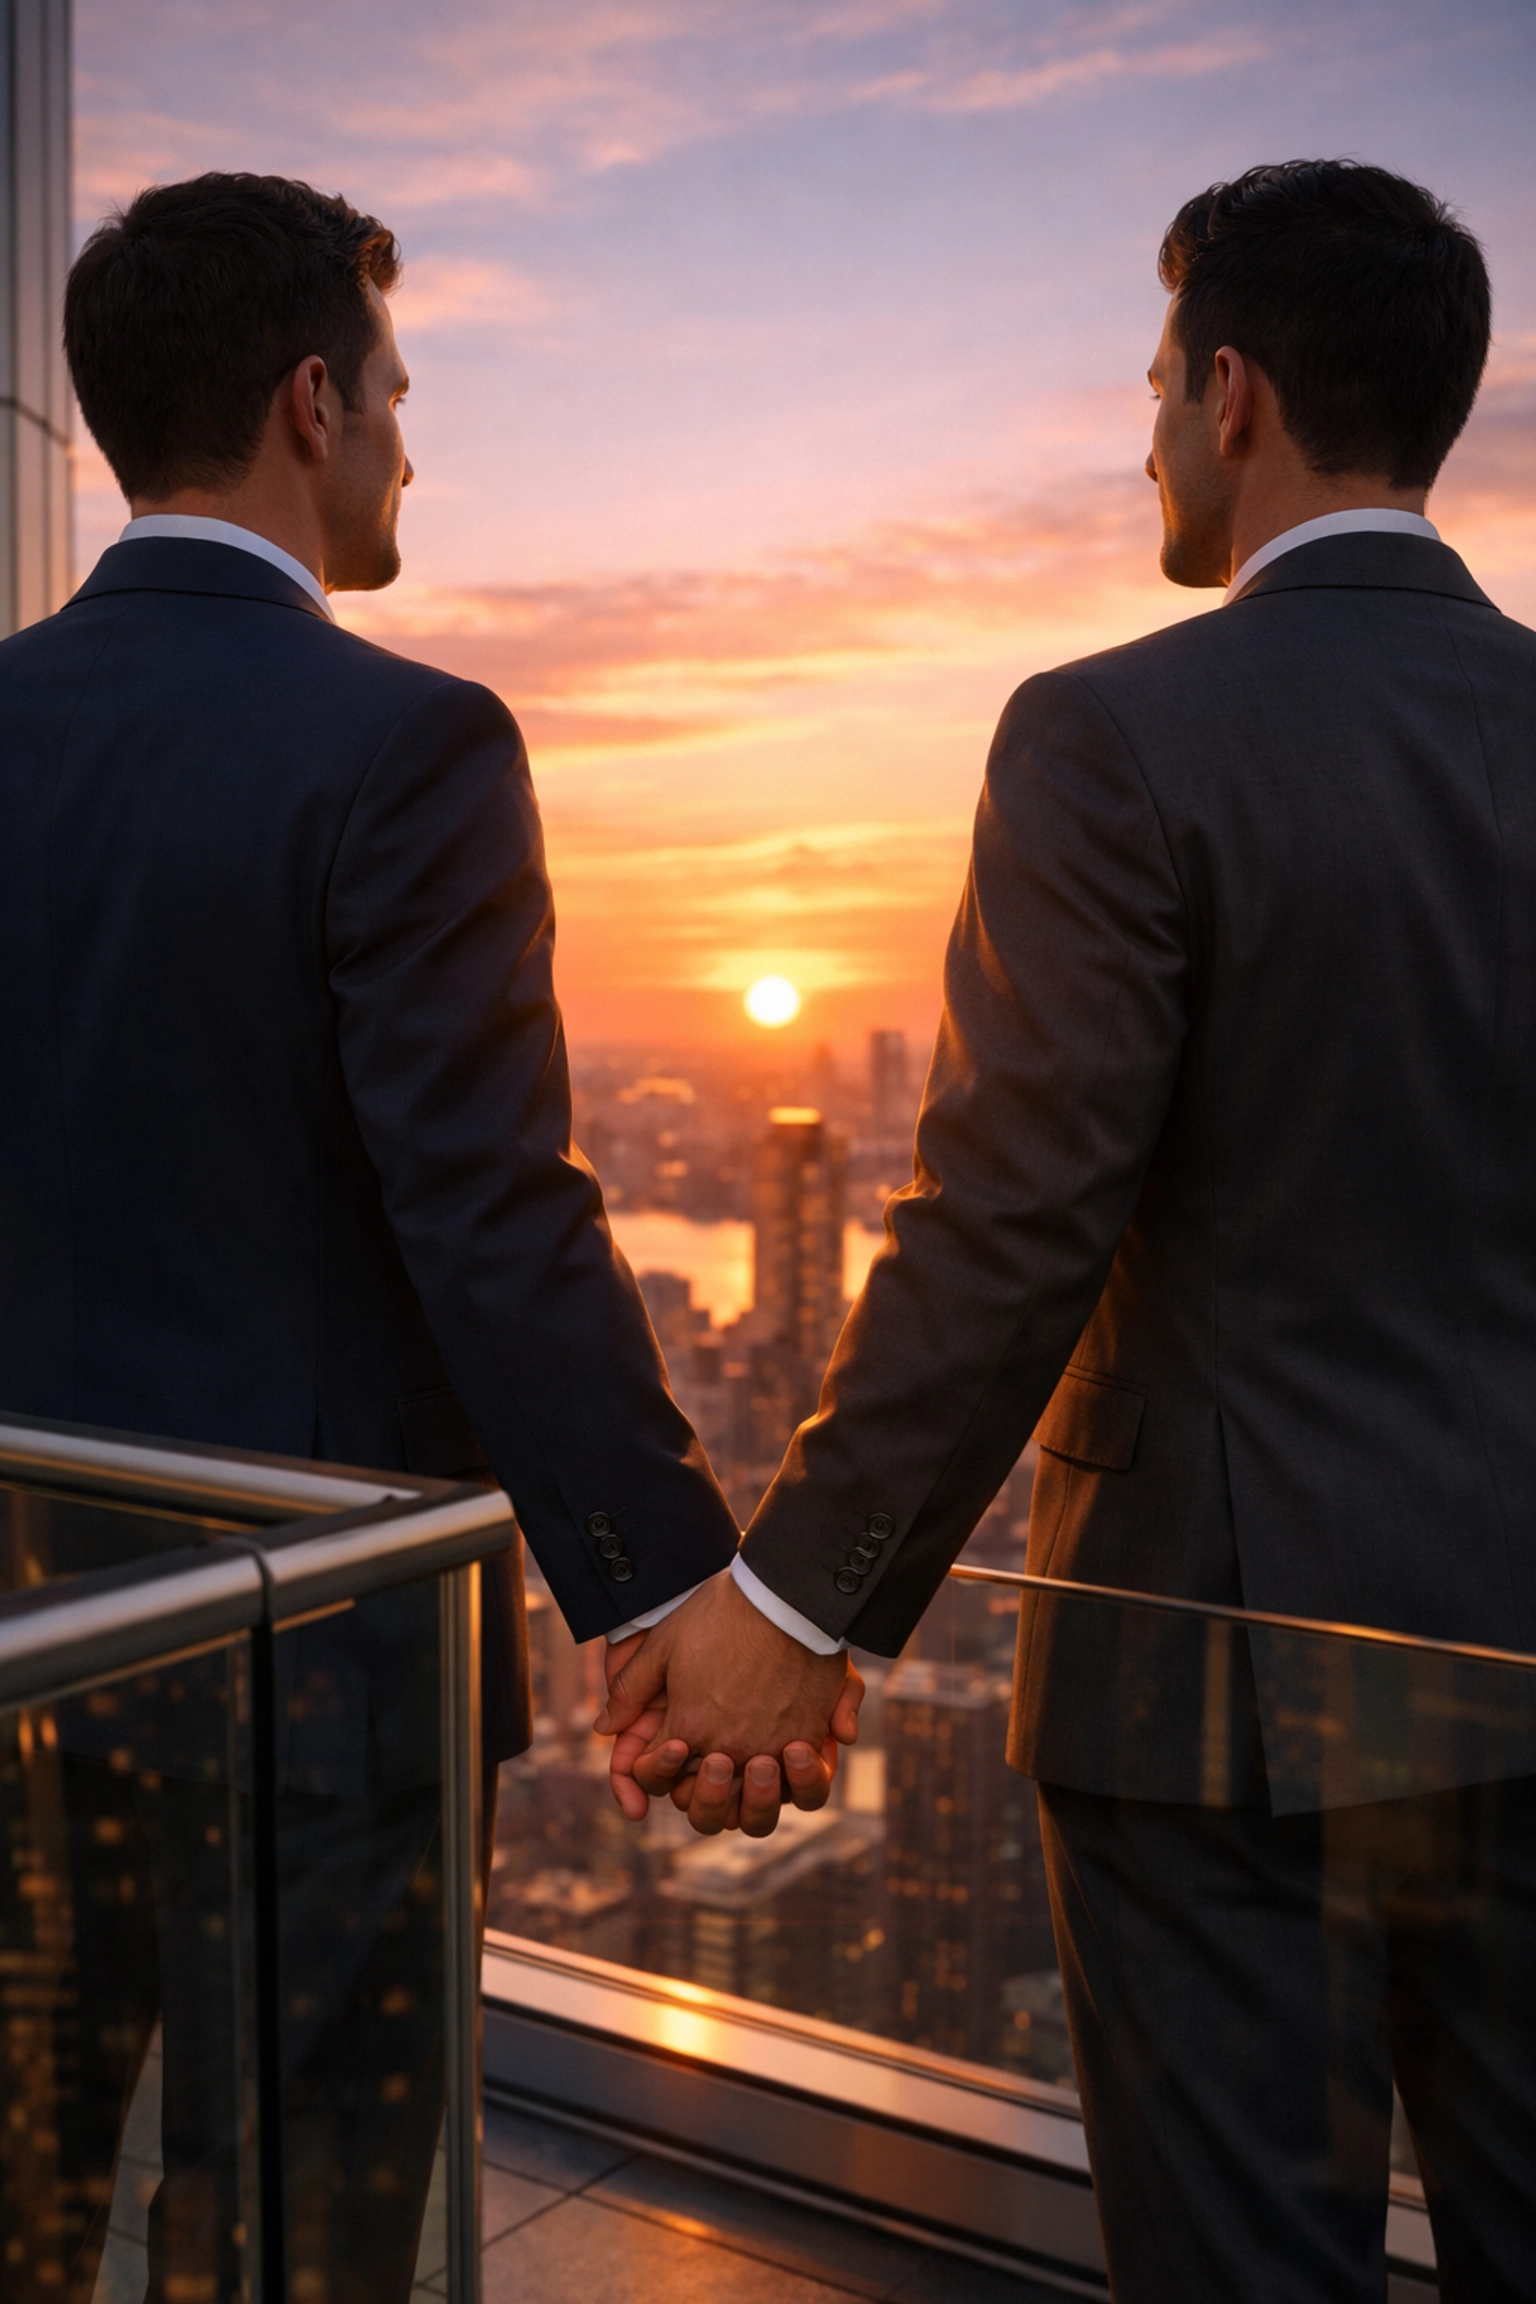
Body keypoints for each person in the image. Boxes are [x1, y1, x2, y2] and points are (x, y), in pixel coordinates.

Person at [603, 161, 1536, 2299]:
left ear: (1234, 392)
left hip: (1210, 1675)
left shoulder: (1115, 733)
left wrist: (798, 1607)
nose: (1145, 441)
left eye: (1153, 387)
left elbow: (1015, 1213)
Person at [0, 171, 853, 2303]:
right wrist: (669, 1586)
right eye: (396, 395)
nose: (408, 446)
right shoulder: (407, 742)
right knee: (290, 2235)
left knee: (16, 2201)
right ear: (314, 402)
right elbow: (490, 1208)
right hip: (317, 1662)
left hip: (19, 1633)